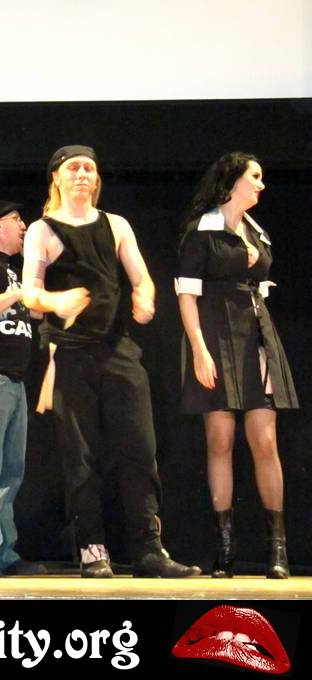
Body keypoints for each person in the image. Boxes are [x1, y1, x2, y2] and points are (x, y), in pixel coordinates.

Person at [22, 144, 200, 578]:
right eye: (73, 167)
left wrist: (145, 298)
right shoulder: (42, 230)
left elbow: (142, 278)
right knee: (80, 455)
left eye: (89, 168)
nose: (83, 174)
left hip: (118, 349)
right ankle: (92, 549)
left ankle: (148, 549)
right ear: (57, 177)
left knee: (140, 448)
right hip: (70, 353)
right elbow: (29, 293)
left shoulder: (116, 224)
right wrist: (54, 300)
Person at [0, 200, 88, 577]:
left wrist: (57, 297)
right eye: (16, 220)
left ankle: (2, 553)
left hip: (11, 381)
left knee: (9, 472)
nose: (24, 226)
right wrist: (16, 294)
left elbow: (37, 310)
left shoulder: (14, 270)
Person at [176, 152, 297, 579]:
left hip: (256, 336)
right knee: (220, 441)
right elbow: (186, 296)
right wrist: (199, 350)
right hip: (214, 337)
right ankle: (225, 551)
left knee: (265, 440)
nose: (261, 185)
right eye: (255, 177)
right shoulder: (202, 231)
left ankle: (277, 549)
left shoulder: (257, 232)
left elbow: (260, 286)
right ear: (232, 182)